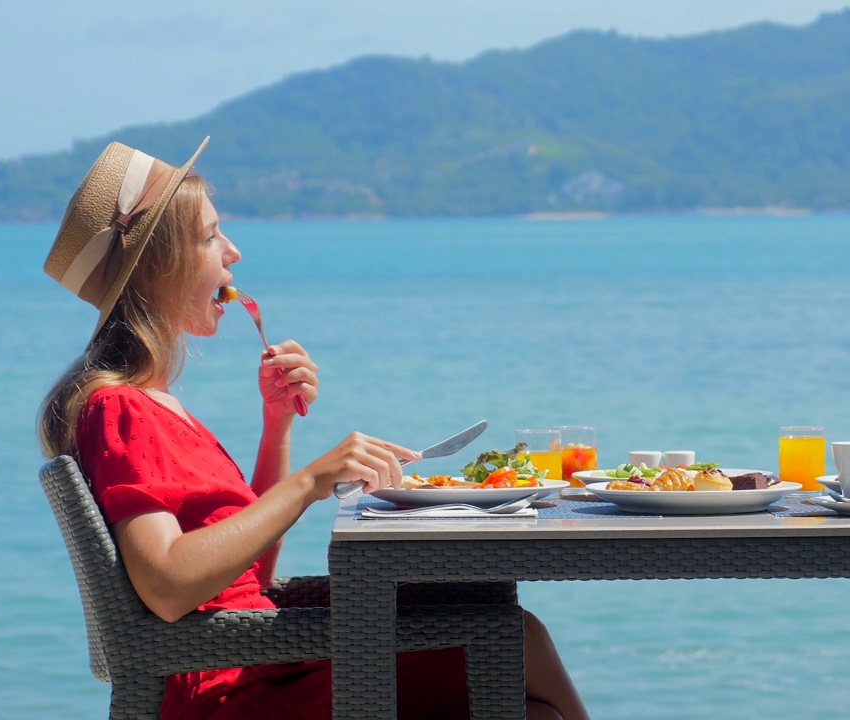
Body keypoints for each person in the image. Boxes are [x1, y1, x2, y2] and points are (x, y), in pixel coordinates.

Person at [37, 137, 589, 720]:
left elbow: (249, 574)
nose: (234, 252)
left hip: (261, 660)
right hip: (235, 691)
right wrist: (309, 481)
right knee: (516, 638)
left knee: (533, 703)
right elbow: (169, 585)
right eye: (210, 236)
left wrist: (275, 426)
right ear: (156, 267)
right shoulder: (121, 409)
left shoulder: (155, 404)